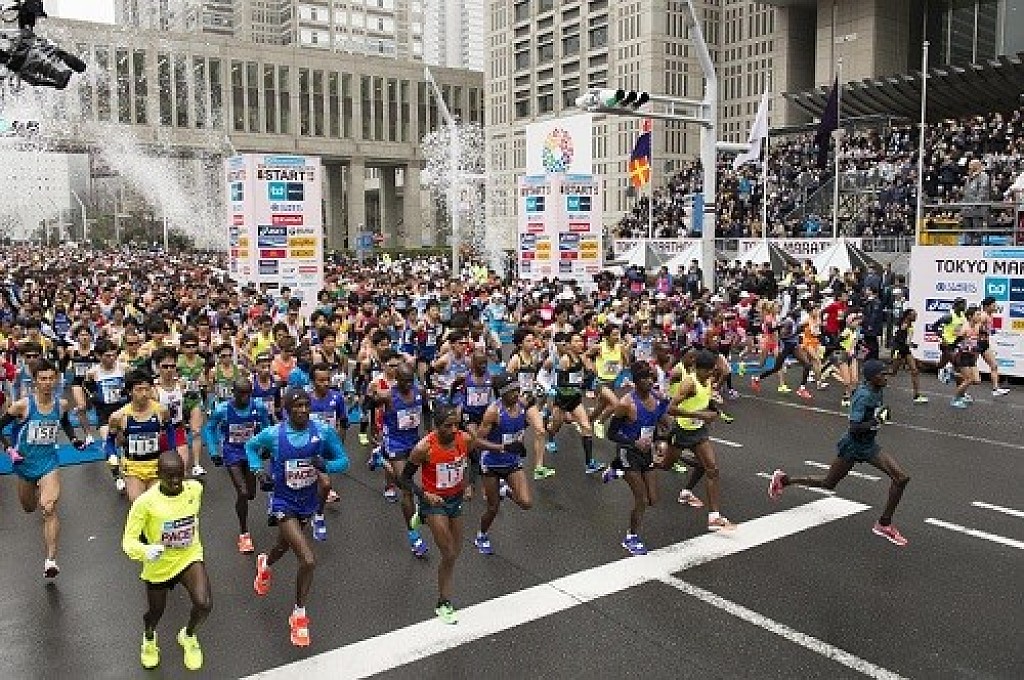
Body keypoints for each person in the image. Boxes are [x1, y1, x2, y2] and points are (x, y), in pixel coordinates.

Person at [246, 387, 350, 647]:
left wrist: (327, 465)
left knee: (282, 547)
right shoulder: (274, 434)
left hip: (307, 502)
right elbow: (250, 446)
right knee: (308, 559)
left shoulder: (322, 432)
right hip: (283, 502)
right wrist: (259, 471)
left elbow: (343, 460)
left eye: (306, 405)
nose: (302, 410)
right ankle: (299, 615)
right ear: (286, 409)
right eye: (296, 406)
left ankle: (265, 563)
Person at [768, 359, 910, 546]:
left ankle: (884, 524)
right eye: (882, 375)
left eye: (885, 374)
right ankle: (784, 480)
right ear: (871, 378)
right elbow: (854, 427)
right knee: (828, 483)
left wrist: (879, 416)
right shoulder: (863, 396)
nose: (886, 378)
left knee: (901, 478)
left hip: (868, 445)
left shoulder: (878, 389)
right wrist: (876, 421)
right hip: (853, 446)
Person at [121, 451, 212, 671]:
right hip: (159, 564)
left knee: (204, 603)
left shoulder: (195, 489)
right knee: (156, 612)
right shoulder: (145, 503)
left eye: (179, 475)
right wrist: (145, 551)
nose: (176, 481)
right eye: (169, 476)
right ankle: (149, 637)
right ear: (158, 475)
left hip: (188, 556)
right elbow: (128, 541)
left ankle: (188, 635)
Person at [0, 358, 87, 578]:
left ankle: (51, 560)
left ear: (56, 380)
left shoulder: (61, 404)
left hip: (49, 462)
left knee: (49, 508)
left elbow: (64, 422)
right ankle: (38, 489)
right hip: (25, 465)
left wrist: (74, 440)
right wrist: (9, 449)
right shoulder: (22, 406)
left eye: (51, 378)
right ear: (35, 381)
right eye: (43, 379)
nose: (47, 383)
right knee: (29, 507)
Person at [400, 402, 471, 624]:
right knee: (448, 553)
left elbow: (470, 461)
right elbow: (404, 478)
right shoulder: (424, 448)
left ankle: (421, 517)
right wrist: (424, 495)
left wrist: (468, 483)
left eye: (456, 425)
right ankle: (443, 603)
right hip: (434, 502)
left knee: (456, 552)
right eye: (448, 426)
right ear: (436, 426)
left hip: (455, 500)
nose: (453, 430)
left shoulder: (464, 439)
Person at [602, 361, 673, 555]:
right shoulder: (626, 404)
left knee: (653, 500)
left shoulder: (657, 399)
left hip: (646, 452)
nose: (649, 381)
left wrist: (661, 441)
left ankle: (616, 470)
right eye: (644, 378)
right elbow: (611, 434)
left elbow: (661, 423)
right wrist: (634, 442)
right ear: (635, 381)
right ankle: (631, 537)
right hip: (628, 452)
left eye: (651, 377)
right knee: (640, 499)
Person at [666, 350, 735, 532]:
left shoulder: (709, 379)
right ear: (696, 368)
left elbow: (704, 400)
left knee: (711, 469)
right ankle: (645, 459)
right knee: (665, 465)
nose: (710, 373)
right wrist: (700, 415)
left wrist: (715, 411)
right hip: (681, 431)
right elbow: (671, 409)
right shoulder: (689, 383)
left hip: (699, 431)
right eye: (707, 370)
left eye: (712, 370)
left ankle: (713, 516)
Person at [202, 379, 271, 553]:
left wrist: (266, 446)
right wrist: (213, 451)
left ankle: (246, 504)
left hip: (251, 451)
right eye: (241, 394)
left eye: (248, 394)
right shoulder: (222, 409)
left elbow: (267, 425)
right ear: (233, 393)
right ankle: (244, 533)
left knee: (251, 494)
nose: (245, 397)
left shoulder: (258, 407)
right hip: (232, 452)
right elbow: (209, 428)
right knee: (243, 492)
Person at [471, 372, 534, 555]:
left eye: (517, 389)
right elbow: (477, 441)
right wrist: (504, 447)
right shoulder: (494, 412)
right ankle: (481, 535)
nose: (516, 394)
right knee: (493, 508)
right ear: (501, 393)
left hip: (512, 462)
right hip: (491, 464)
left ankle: (505, 490)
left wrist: (520, 445)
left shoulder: (522, 405)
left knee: (526, 503)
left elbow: (522, 427)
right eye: (511, 391)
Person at [371, 361, 429, 557]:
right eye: (403, 381)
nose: (407, 384)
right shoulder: (388, 396)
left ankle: (380, 459)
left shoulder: (420, 392)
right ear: (396, 380)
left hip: (413, 441)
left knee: (413, 479)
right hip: (395, 443)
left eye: (410, 380)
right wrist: (374, 427)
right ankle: (414, 536)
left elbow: (427, 412)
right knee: (406, 488)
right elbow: (371, 406)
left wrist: (430, 433)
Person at [108, 370, 176, 503]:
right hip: (133, 467)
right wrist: (112, 455)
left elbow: (170, 431)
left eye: (147, 389)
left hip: (156, 464)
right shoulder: (118, 416)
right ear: (130, 391)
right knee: (138, 503)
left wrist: (172, 452)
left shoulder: (161, 411)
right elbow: (109, 442)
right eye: (139, 390)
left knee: (157, 503)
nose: (144, 394)